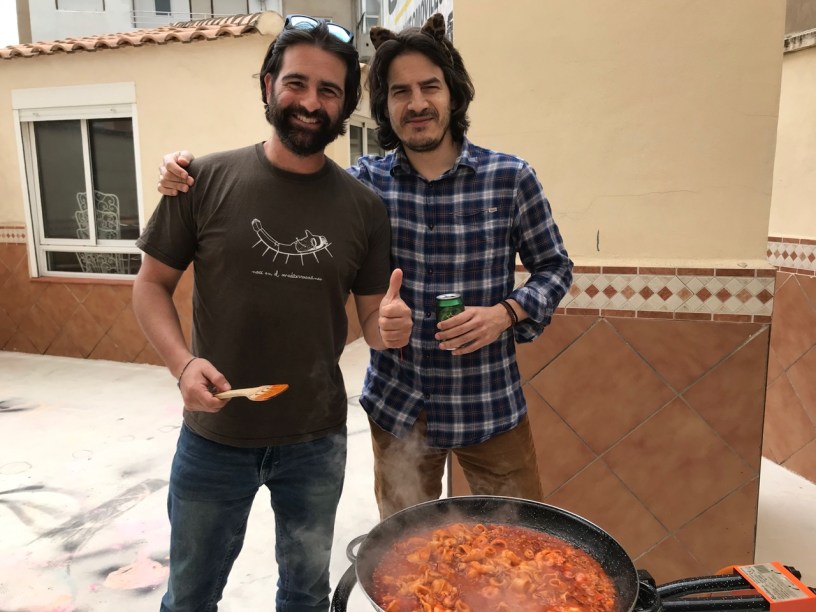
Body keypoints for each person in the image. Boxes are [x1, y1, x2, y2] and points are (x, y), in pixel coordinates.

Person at [156, 14, 573, 521]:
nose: (416, 104)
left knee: (518, 543)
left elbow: (555, 268)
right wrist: (184, 171)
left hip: (489, 404)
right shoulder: (360, 188)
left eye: (429, 87)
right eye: (400, 92)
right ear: (383, 106)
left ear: (453, 94)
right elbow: (287, 176)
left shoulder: (510, 179)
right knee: (405, 550)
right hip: (399, 410)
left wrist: (505, 313)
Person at [133, 16, 411, 612]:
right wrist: (182, 365)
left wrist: (388, 328)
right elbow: (151, 285)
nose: (310, 102)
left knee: (305, 596)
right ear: (268, 85)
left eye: (329, 90)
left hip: (315, 441)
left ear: (346, 106)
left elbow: (372, 324)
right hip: (214, 438)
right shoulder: (201, 180)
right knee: (189, 597)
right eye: (296, 83)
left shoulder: (364, 208)